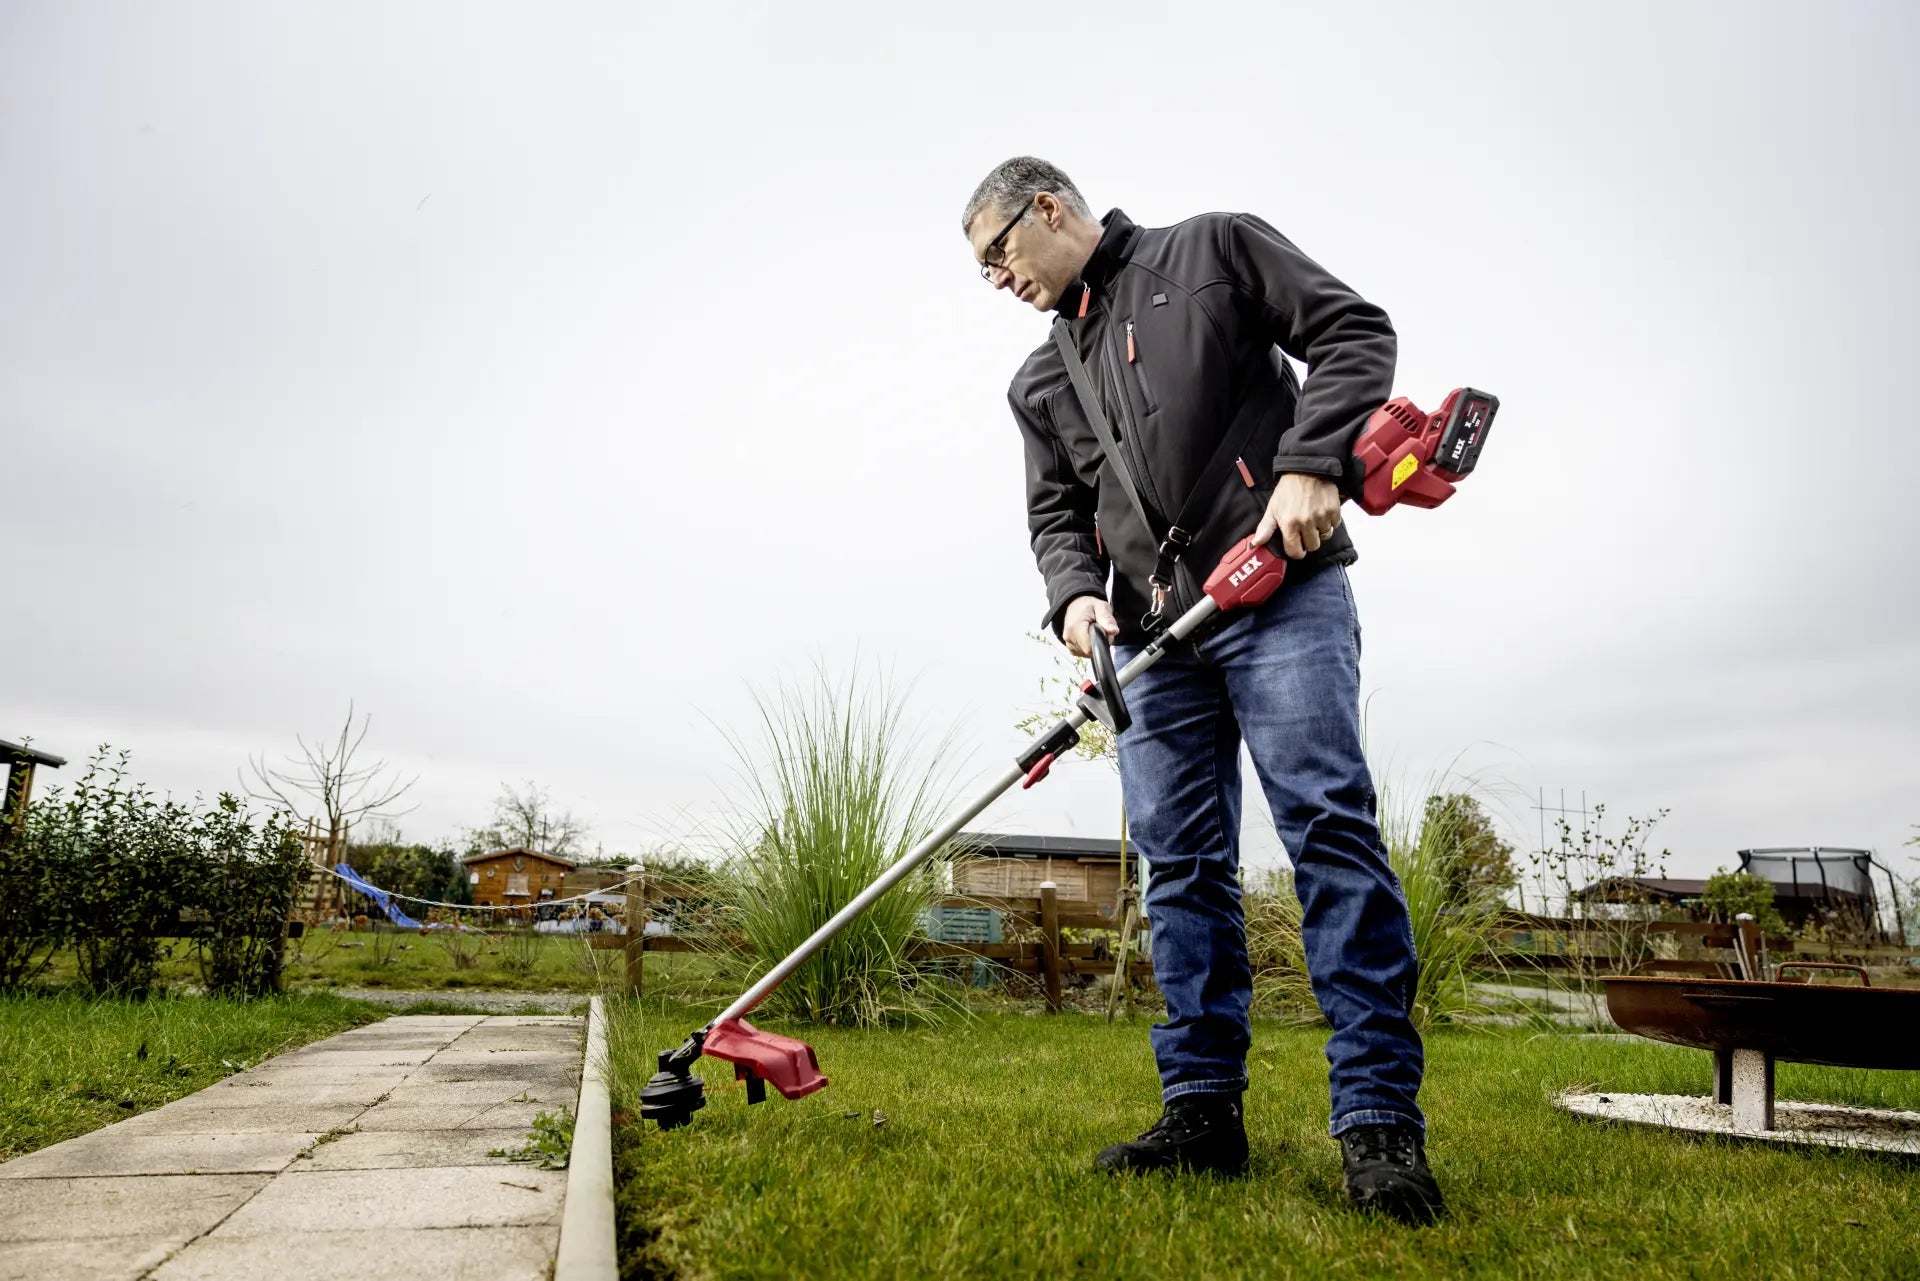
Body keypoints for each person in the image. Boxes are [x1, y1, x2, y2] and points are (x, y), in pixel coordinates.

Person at [962, 157, 1442, 1224]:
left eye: (998, 253)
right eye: (983, 271)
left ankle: (1377, 1118)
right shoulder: (1039, 382)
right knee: (1180, 870)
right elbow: (1055, 514)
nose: (997, 280)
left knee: (1328, 831)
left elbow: (1354, 330)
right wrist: (1074, 600)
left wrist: (1313, 462)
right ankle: (1203, 1109)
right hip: (1151, 643)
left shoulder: (1213, 249)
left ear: (1048, 207)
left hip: (1280, 596)